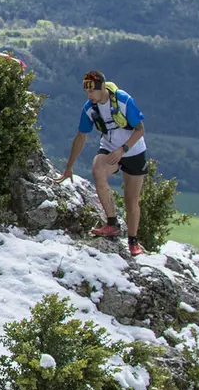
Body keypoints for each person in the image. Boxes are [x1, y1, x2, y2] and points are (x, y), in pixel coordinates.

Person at [61, 70, 149, 256]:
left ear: (102, 88)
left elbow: (140, 129)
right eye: (86, 92)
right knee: (98, 170)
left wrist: (122, 150)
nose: (88, 95)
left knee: (131, 200)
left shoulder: (123, 100)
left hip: (133, 151)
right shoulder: (89, 108)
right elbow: (81, 136)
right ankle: (112, 223)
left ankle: (133, 241)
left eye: (91, 91)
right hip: (109, 148)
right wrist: (69, 166)